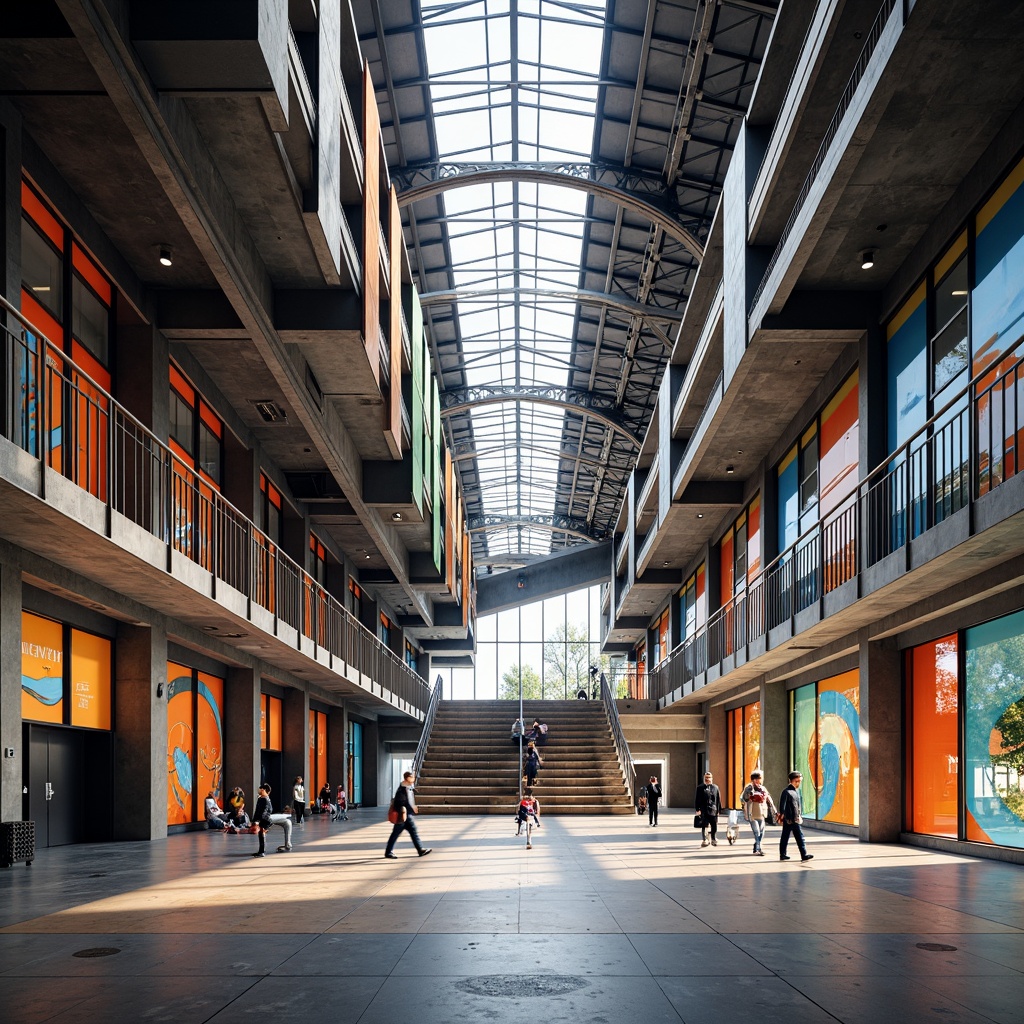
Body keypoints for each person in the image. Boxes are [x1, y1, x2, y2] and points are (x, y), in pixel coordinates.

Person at [384, 771, 432, 859]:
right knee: (399, 833)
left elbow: (409, 799)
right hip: (402, 815)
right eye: (412, 777)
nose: (414, 779)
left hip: (406, 815)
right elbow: (400, 802)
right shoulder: (402, 789)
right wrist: (410, 808)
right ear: (408, 778)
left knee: (409, 832)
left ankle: (420, 849)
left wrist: (413, 807)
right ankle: (389, 852)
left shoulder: (408, 787)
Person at [778, 770, 813, 862]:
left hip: (793, 818)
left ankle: (783, 854)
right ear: (795, 780)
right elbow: (782, 805)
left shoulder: (794, 791)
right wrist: (782, 815)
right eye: (799, 781)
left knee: (785, 836)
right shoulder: (787, 792)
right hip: (791, 819)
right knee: (799, 837)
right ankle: (803, 854)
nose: (799, 783)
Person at [740, 769, 777, 856]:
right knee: (756, 832)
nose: (757, 781)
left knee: (762, 832)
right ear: (752, 780)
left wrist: (774, 810)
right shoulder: (749, 788)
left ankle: (756, 845)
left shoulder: (763, 788)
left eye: (759, 779)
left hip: (762, 813)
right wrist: (748, 793)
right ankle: (759, 848)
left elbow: (769, 799)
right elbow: (743, 798)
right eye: (755, 779)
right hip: (752, 813)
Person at [694, 770, 722, 847]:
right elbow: (697, 799)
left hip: (713, 810)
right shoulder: (700, 788)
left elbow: (718, 799)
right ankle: (705, 839)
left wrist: (719, 810)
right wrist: (697, 809)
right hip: (704, 810)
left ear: (712, 778)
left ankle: (713, 838)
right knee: (704, 825)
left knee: (714, 825)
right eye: (706, 777)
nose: (707, 779)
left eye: (709, 778)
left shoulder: (715, 787)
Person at [252, 783, 273, 858]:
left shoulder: (265, 799)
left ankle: (262, 851)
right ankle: (261, 851)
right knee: (260, 835)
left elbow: (264, 811)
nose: (259, 790)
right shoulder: (262, 798)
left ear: (264, 790)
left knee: (262, 834)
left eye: (260, 789)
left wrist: (258, 820)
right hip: (262, 819)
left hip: (264, 820)